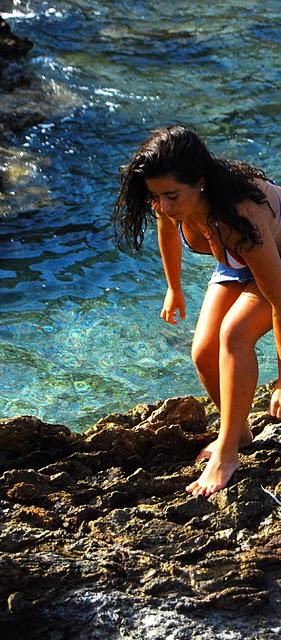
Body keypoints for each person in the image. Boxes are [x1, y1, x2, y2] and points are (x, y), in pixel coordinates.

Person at [114, 124, 281, 497]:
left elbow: (280, 304)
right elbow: (168, 231)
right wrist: (174, 288)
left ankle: (227, 452)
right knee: (203, 352)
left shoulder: (243, 214)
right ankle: (237, 431)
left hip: (269, 253)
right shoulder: (170, 198)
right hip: (234, 261)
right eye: (157, 197)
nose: (164, 206)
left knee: (234, 335)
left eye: (171, 196)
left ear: (200, 182)